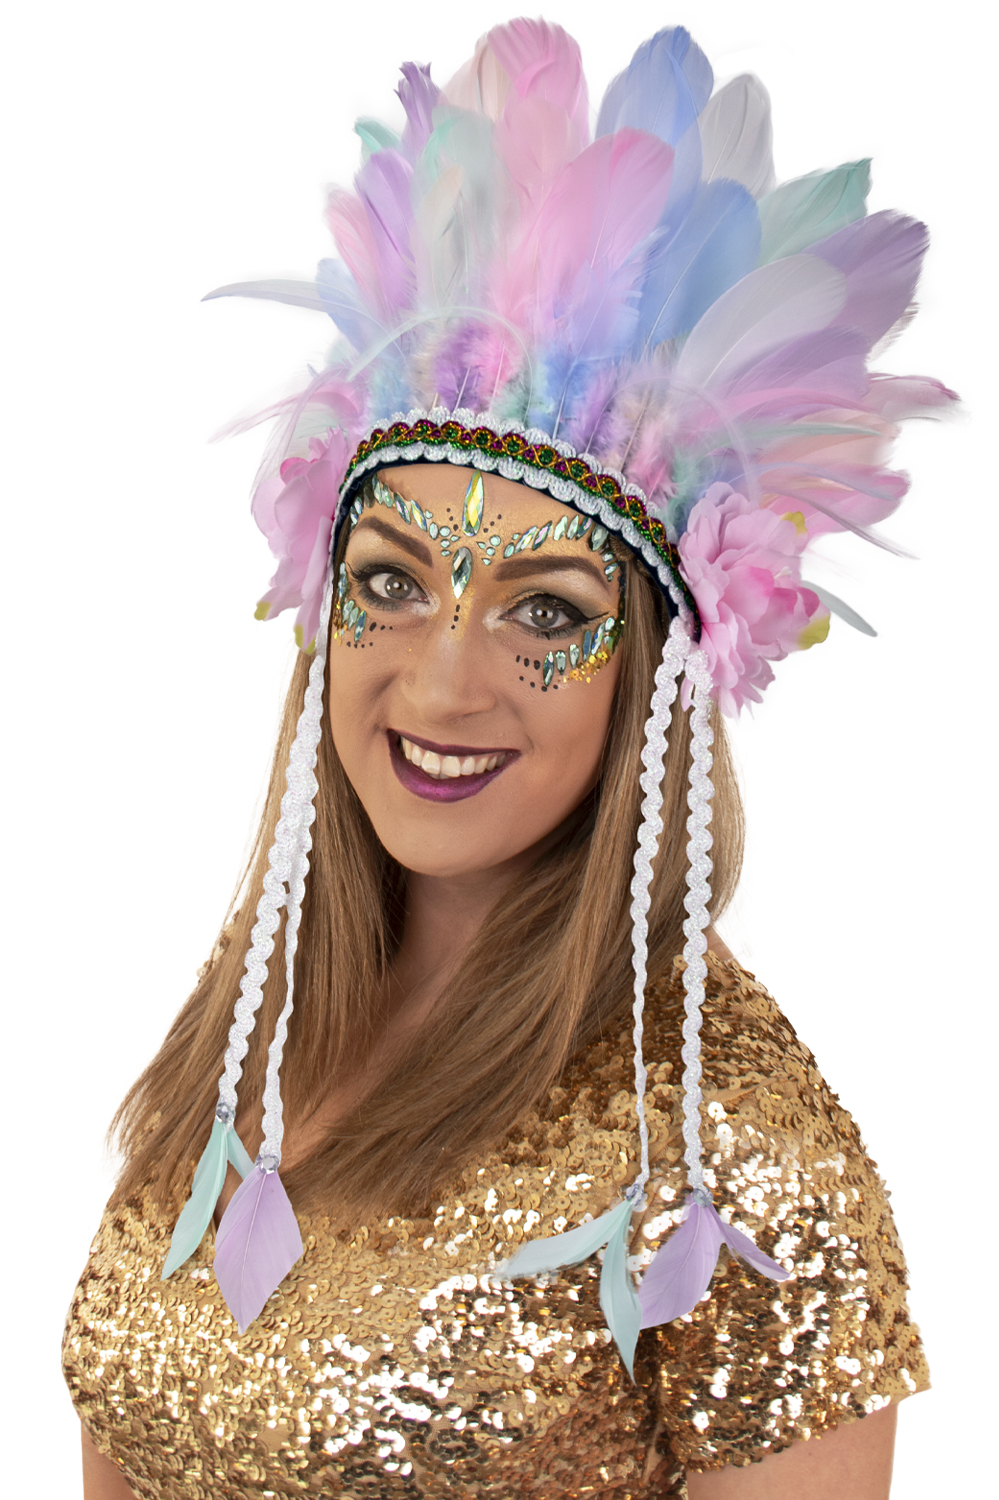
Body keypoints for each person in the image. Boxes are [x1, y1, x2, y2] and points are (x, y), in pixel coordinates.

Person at [63, 20, 952, 1498]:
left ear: (658, 676)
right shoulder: (254, 1027)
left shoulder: (723, 1149)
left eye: (546, 612)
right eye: (393, 582)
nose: (439, 681)